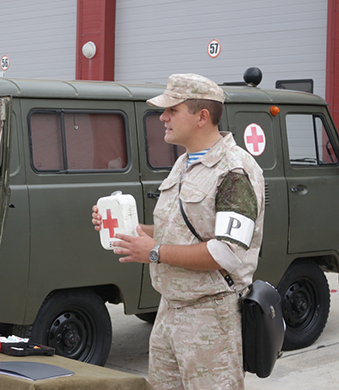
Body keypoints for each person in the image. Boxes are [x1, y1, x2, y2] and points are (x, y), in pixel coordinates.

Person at [92, 73, 265, 389]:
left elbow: (226, 252)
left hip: (211, 316)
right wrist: (127, 228)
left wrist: (154, 252)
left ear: (201, 117)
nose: (162, 117)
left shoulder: (234, 171)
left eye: (172, 109)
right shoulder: (185, 163)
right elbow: (180, 229)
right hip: (170, 310)